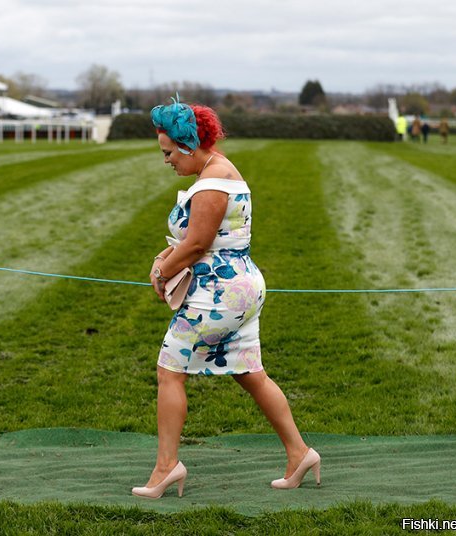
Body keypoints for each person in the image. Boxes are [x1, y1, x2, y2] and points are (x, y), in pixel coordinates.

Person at [131, 96, 320, 499]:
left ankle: (167, 466)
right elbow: (209, 239)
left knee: (169, 370)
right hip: (240, 287)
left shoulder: (213, 181)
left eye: (168, 152)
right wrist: (165, 256)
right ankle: (300, 453)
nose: (167, 160)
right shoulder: (220, 171)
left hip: (219, 292)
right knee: (250, 372)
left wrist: (163, 272)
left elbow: (198, 243)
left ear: (187, 144)